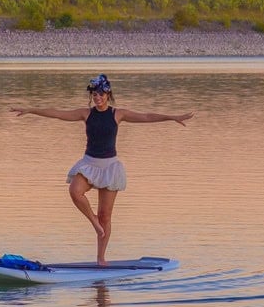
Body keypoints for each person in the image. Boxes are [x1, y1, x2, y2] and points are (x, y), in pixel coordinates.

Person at [11, 74, 193, 263]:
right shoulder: (86, 114)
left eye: (100, 94)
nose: (97, 98)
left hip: (109, 167)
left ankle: (101, 258)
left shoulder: (118, 114)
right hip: (89, 164)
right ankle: (94, 222)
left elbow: (146, 116)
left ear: (108, 94)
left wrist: (172, 117)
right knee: (75, 191)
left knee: (106, 215)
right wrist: (30, 110)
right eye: (94, 95)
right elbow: (58, 113)